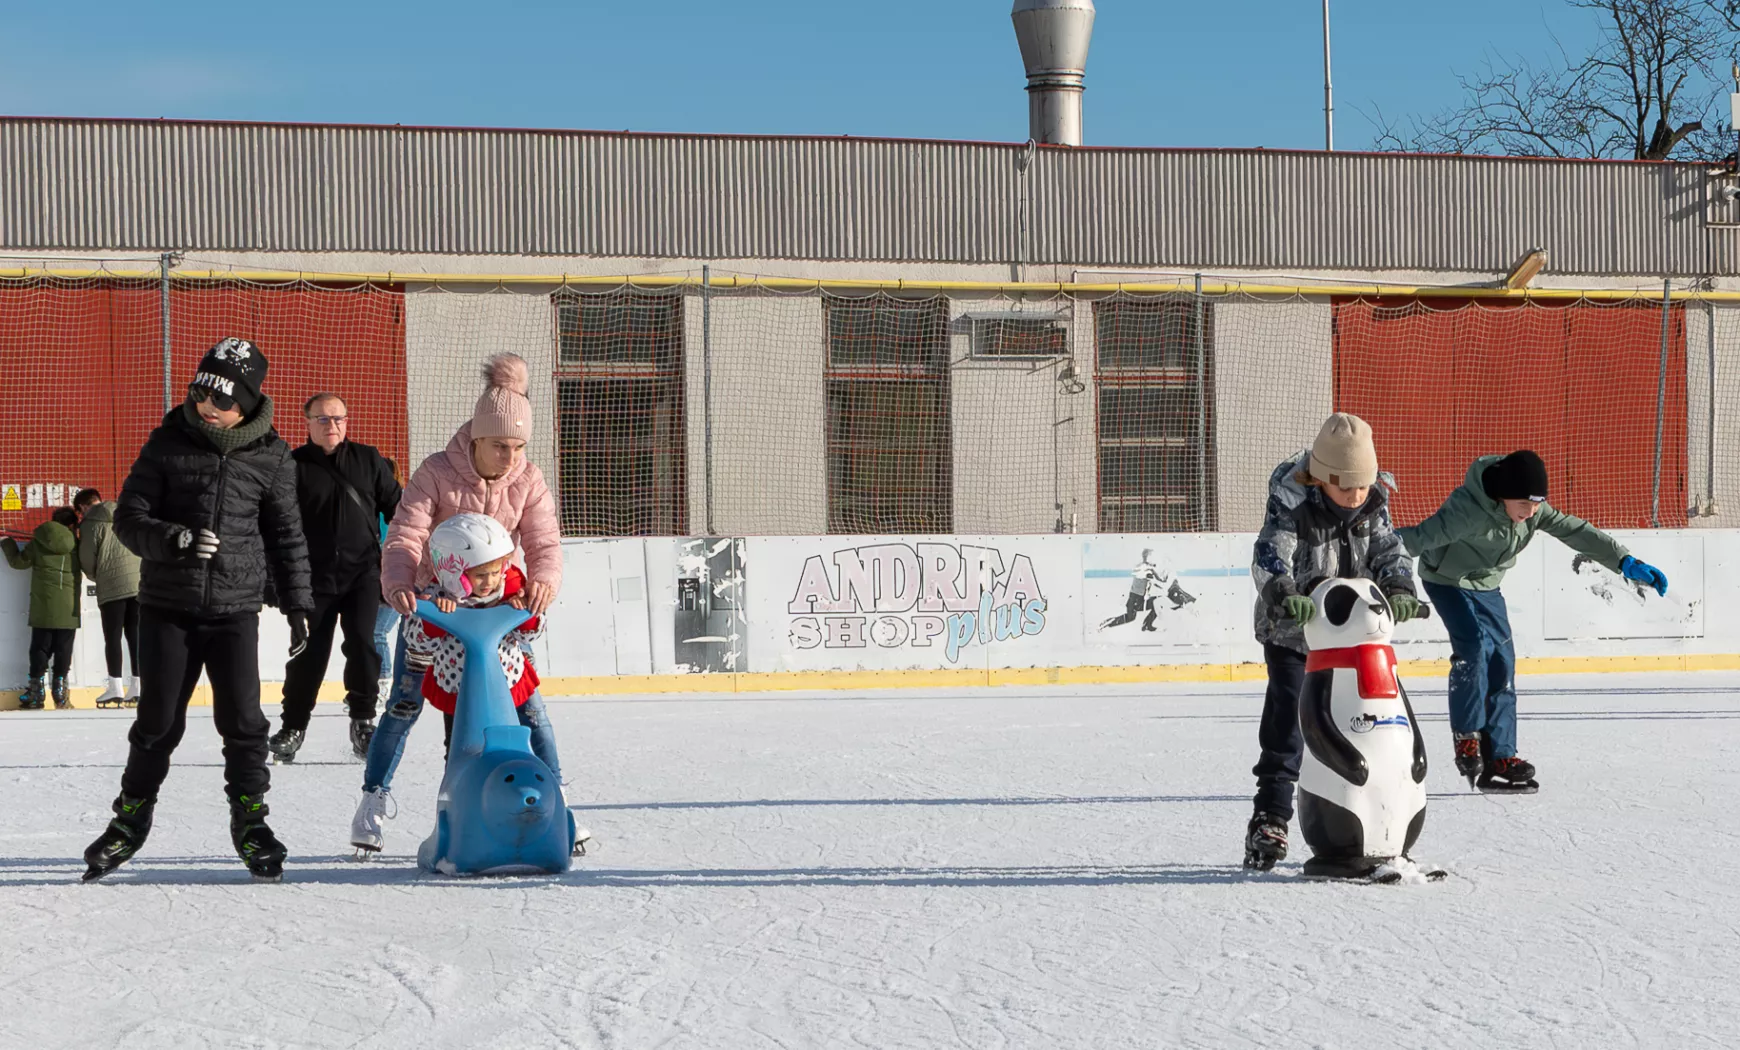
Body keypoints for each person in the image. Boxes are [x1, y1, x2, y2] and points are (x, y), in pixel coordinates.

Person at [81, 336, 314, 883]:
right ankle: (129, 821)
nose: (209, 407)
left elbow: (286, 534)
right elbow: (129, 519)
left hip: (235, 609)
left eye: (224, 400)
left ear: (250, 401)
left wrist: (299, 602)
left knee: (244, 722)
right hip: (167, 606)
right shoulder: (166, 443)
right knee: (158, 722)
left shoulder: (274, 456)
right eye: (202, 393)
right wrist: (176, 540)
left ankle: (252, 823)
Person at [351, 353, 564, 852]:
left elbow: (544, 541)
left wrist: (544, 581)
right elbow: (406, 532)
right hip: (433, 607)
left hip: (496, 609)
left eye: (517, 447)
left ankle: (552, 800)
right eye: (498, 446)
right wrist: (402, 584)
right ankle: (373, 800)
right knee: (404, 703)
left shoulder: (529, 480)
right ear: (475, 438)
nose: (509, 457)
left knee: (525, 709)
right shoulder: (436, 472)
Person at [1396, 450, 1668, 794]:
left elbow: (1575, 531)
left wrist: (1624, 560)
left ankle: (1501, 758)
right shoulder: (1466, 512)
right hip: (1446, 580)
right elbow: (1415, 539)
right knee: (1475, 648)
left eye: (1537, 504)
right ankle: (1467, 736)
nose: (1532, 512)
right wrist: (1372, 557)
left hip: (1487, 585)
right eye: (1525, 504)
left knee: (1503, 663)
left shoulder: (1533, 513)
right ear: (1502, 496)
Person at [1243, 413, 1425, 871]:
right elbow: (1270, 554)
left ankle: (1378, 815)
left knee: (1369, 724)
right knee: (1289, 721)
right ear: (1321, 478)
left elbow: (1389, 552)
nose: (1355, 496)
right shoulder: (1291, 503)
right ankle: (1271, 818)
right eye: (1345, 487)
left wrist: (1401, 588)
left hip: (1351, 637)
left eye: (1362, 486)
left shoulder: (1372, 504)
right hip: (1293, 633)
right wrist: (1285, 595)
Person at [349, 514, 567, 855]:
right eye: (481, 575)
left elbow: (533, 631)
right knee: (461, 755)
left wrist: (527, 610)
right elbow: (417, 641)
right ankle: (462, 818)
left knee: (530, 735)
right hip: (462, 694)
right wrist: (437, 616)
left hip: (511, 685)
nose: (490, 581)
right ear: (453, 572)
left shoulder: (509, 588)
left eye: (495, 571)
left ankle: (554, 806)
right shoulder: (437, 597)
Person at [269, 393, 402, 763]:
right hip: (313, 579)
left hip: (363, 575)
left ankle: (362, 721)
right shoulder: (292, 466)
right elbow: (278, 525)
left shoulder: (369, 459)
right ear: (307, 422)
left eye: (339, 419)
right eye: (324, 419)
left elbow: (400, 510)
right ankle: (293, 726)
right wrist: (277, 578)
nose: (332, 426)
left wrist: (405, 562)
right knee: (309, 655)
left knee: (363, 645)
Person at [3, 506, 83, 710]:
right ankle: (60, 694)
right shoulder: (77, 544)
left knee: (40, 648)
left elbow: (18, 563)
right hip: (69, 606)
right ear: (72, 525)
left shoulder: (38, 543)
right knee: (64, 649)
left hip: (43, 605)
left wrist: (8, 544)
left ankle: (36, 692)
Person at [74, 488, 143, 707]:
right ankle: (138, 686)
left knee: (112, 637)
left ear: (84, 506)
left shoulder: (90, 523)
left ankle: (115, 686)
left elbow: (87, 558)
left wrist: (96, 575)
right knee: (136, 636)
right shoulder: (125, 514)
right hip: (138, 584)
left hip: (112, 586)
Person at [1098, 548, 1195, 631]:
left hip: (1135, 598)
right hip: (1136, 600)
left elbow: (1147, 580)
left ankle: (1147, 625)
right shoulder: (1146, 569)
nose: (1154, 558)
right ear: (1148, 556)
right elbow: (1156, 580)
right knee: (1130, 617)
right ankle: (1108, 622)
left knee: (1156, 602)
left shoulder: (1141, 566)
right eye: (1152, 556)